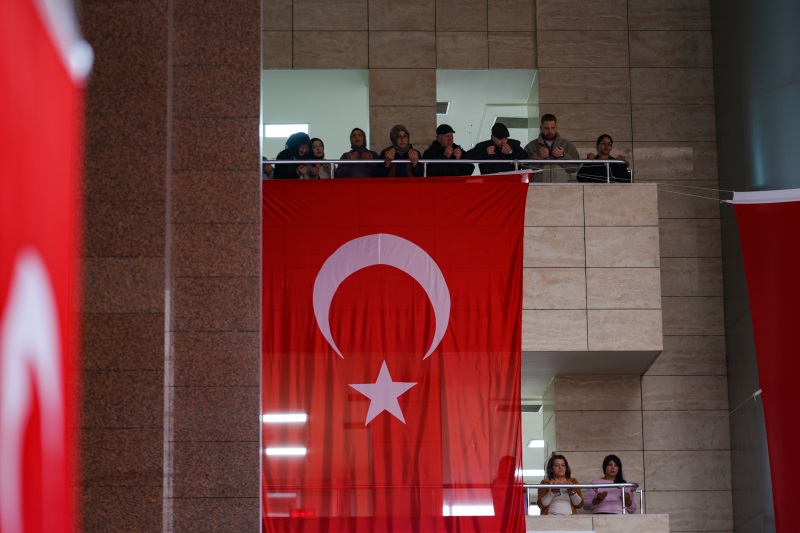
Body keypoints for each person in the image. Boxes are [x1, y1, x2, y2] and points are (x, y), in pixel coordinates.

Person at [524, 114, 580, 182]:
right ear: (541, 128)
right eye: (546, 128)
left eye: (552, 128)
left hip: (563, 186)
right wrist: (537, 156)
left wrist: (562, 155)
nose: (550, 131)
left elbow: (575, 167)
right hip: (539, 186)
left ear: (556, 127)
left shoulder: (567, 144)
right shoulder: (531, 146)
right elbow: (524, 169)